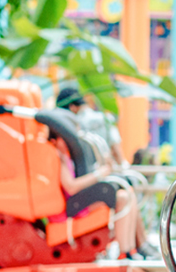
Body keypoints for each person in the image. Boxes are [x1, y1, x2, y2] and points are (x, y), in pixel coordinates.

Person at [55, 86, 155, 257]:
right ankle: (135, 247)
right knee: (125, 194)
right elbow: (116, 151)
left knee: (125, 194)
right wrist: (105, 171)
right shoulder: (103, 120)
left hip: (86, 187)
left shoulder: (71, 138)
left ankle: (133, 248)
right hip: (84, 192)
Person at [44, 126, 145, 259]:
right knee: (123, 199)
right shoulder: (59, 158)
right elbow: (71, 187)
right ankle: (124, 251)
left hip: (78, 202)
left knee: (127, 195)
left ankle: (131, 249)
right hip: (74, 206)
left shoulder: (66, 157)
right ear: (54, 141)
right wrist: (98, 175)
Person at [56, 85, 128, 167]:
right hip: (107, 169)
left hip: (85, 173)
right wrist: (122, 165)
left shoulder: (73, 124)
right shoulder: (105, 118)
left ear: (72, 107)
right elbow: (115, 148)